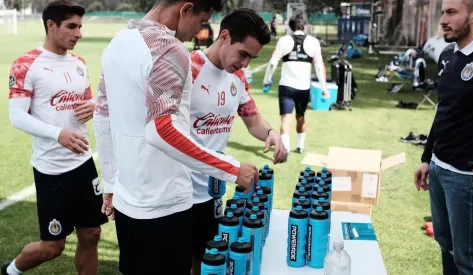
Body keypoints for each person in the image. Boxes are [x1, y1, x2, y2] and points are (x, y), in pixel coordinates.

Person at [92, 1, 259, 274]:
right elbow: (161, 130)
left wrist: (110, 182)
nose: (199, 31)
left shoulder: (118, 43)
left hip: (127, 202)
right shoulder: (171, 49)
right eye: (201, 21)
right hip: (164, 207)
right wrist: (232, 169)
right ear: (185, 9)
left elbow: (102, 115)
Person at [2, 1, 107, 275]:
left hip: (83, 163)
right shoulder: (27, 64)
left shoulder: (79, 63)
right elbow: (17, 116)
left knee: (92, 232)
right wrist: (57, 134)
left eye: (80, 27)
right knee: (53, 247)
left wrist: (93, 104)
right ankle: (11, 271)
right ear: (51, 25)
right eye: (72, 26)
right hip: (52, 169)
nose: (79, 33)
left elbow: (86, 102)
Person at [189, 8, 287, 274]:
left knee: (208, 259)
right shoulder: (189, 69)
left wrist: (271, 134)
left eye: (251, 58)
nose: (245, 64)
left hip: (215, 190)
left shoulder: (238, 77)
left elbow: (253, 121)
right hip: (180, 192)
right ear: (224, 36)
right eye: (243, 54)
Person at [414, 0, 473, 274]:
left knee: (469, 260)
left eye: (451, 12)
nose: (442, 20)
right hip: (439, 168)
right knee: (445, 244)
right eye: (443, 12)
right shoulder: (448, 54)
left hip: (468, 177)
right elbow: (444, 111)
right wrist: (427, 158)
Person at [262, 16, 329, 155]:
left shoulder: (284, 40)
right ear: (304, 27)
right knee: (300, 117)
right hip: (303, 88)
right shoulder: (313, 42)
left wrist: (267, 79)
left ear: (291, 27)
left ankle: (285, 150)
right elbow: (318, 65)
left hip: (286, 87)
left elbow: (273, 63)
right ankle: (300, 146)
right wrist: (323, 88)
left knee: (285, 118)